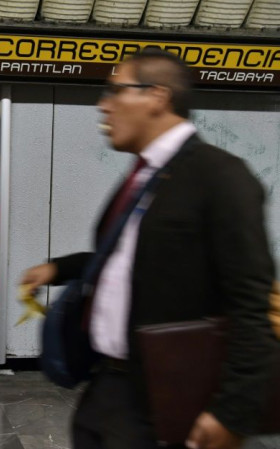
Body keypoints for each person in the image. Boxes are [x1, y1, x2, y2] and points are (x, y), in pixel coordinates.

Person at [21, 49, 278, 449]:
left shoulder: (221, 177)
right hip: (110, 387)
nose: (103, 106)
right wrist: (59, 269)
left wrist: (233, 413)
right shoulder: (146, 177)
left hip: (169, 397)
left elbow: (251, 305)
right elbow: (138, 260)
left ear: (157, 96)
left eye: (115, 91)